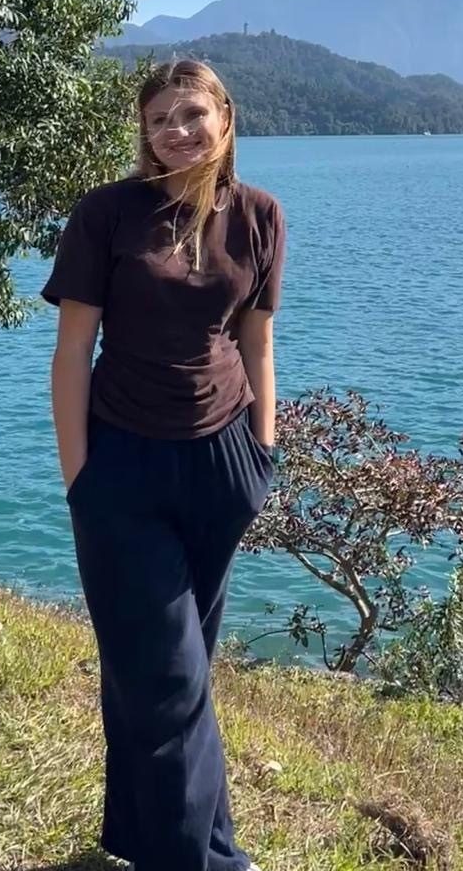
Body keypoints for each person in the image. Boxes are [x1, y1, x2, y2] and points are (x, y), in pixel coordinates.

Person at [43, 57, 285, 871]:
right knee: (166, 675)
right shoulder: (107, 214)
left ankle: (172, 843)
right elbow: (73, 350)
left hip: (221, 463)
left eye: (191, 114)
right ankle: (201, 863)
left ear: (224, 117)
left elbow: (257, 341)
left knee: (176, 672)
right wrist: (80, 478)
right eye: (158, 121)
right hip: (122, 463)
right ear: (143, 135)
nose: (176, 132)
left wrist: (263, 455)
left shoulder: (258, 216)